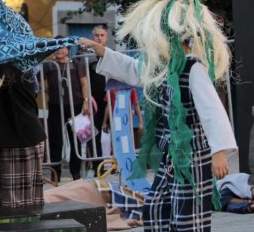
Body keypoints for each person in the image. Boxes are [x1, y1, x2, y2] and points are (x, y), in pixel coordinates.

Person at [79, 36, 236, 231]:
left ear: (179, 43)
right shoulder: (162, 68)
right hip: (171, 156)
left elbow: (211, 109)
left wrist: (219, 152)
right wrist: (100, 50)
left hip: (192, 155)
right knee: (156, 207)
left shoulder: (193, 68)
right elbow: (134, 69)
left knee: (188, 214)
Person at [0, 64, 47, 207]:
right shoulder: (21, 66)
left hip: (18, 138)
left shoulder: (7, 70)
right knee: (23, 201)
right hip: (22, 136)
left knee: (14, 203)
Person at [42, 41, 90, 181]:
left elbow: (84, 83)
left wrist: (86, 101)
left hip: (76, 105)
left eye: (62, 47)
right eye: (56, 48)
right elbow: (43, 83)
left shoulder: (76, 64)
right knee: (55, 139)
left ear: (68, 50)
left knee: (77, 139)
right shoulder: (49, 65)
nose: (59, 50)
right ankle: (55, 174)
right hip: (56, 106)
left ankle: (76, 173)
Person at [86, 25, 109, 169]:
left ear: (106, 38)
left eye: (102, 35)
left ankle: (118, 166)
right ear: (92, 37)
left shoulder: (112, 54)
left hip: (111, 101)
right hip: (94, 102)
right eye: (96, 35)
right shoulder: (86, 56)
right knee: (93, 135)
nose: (99, 38)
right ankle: (97, 167)